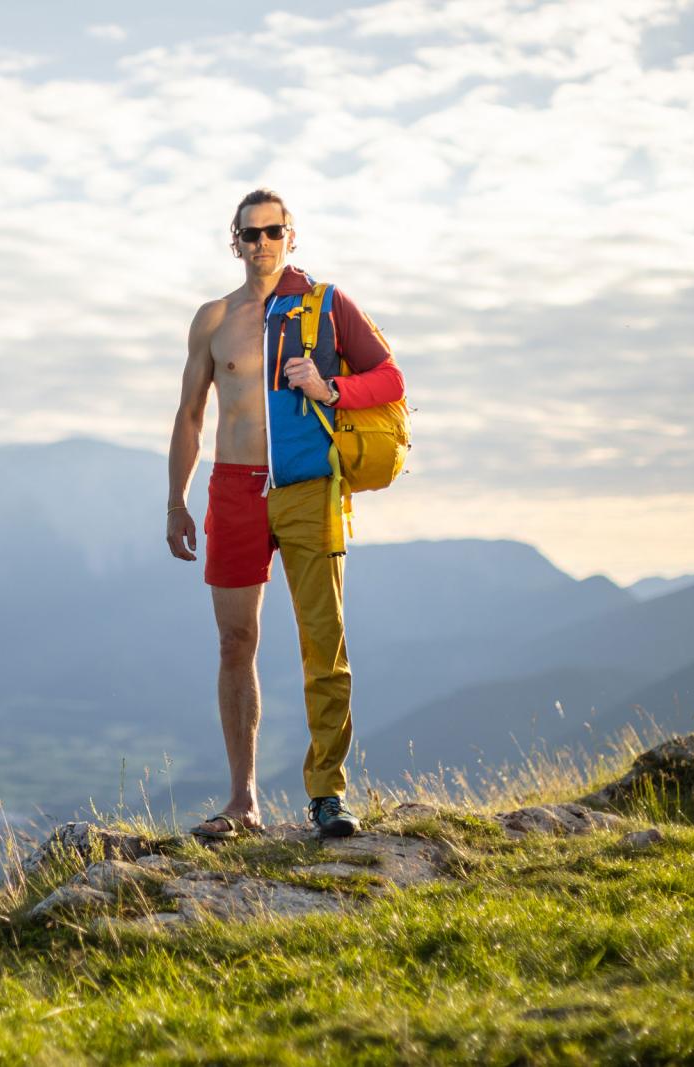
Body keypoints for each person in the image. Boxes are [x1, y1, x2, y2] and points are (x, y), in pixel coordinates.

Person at [166, 188, 405, 839]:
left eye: (274, 232)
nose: (263, 243)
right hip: (232, 488)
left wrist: (332, 388)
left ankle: (328, 794)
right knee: (234, 642)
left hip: (307, 488)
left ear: (291, 237)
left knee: (323, 641)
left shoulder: (325, 304)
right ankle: (242, 800)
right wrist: (176, 500)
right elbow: (190, 415)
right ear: (235, 242)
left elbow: (390, 378)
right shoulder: (214, 319)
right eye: (251, 234)